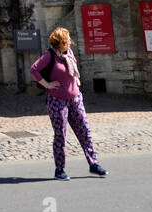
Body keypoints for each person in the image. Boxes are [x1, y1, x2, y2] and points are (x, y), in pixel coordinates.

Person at [31, 27, 107, 180]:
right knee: (61, 134)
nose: (69, 43)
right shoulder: (49, 56)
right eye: (66, 41)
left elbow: (72, 73)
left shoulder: (69, 53)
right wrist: (47, 84)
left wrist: (76, 87)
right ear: (59, 43)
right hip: (57, 100)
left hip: (75, 98)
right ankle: (59, 170)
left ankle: (93, 163)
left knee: (85, 131)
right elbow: (34, 69)